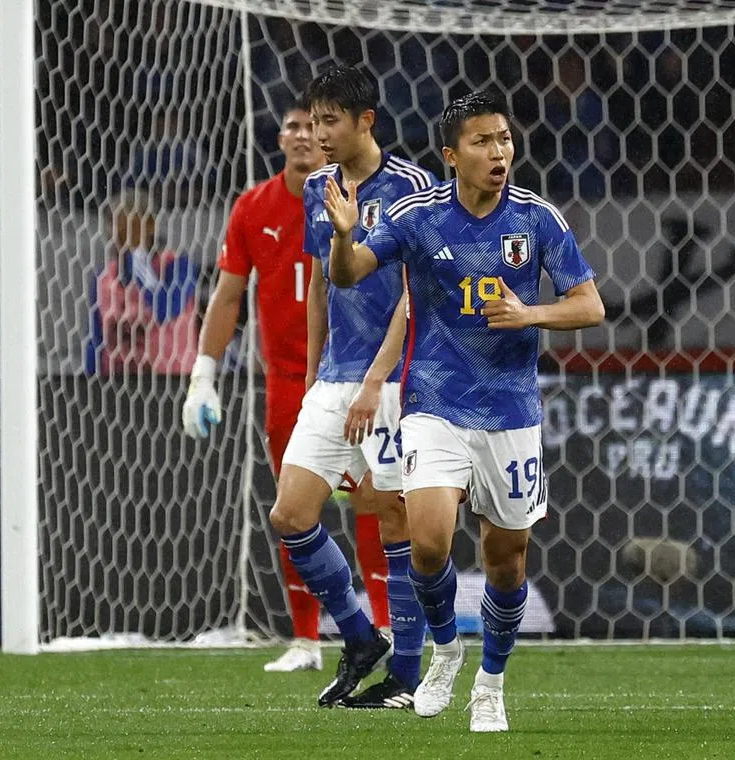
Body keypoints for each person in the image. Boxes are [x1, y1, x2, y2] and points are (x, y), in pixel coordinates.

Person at [324, 90, 604, 732]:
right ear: (452, 155)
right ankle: (446, 652)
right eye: (482, 142)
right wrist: (343, 238)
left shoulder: (538, 220)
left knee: (507, 557)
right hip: (434, 404)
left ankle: (492, 682)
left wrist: (532, 313)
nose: (499, 152)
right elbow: (348, 273)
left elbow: (590, 306)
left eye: (504, 139)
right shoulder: (417, 216)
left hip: (510, 412)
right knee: (426, 539)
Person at [180, 104, 394, 672]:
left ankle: (388, 628)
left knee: (375, 504)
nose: (306, 136)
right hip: (288, 381)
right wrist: (204, 372)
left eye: (316, 125)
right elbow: (228, 296)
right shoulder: (253, 207)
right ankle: (306, 640)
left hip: (368, 376)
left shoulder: (368, 196)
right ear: (280, 139)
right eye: (296, 127)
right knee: (296, 510)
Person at [268, 64, 436, 709]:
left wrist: (374, 379)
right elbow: (320, 287)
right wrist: (316, 374)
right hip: (335, 378)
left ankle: (408, 674)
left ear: (367, 120)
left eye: (329, 121)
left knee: (395, 517)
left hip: (395, 378)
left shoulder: (415, 189)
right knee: (291, 512)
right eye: (312, 122)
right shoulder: (319, 187)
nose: (318, 134)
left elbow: (415, 292)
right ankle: (361, 637)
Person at [88, 187, 198, 375]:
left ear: (150, 225)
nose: (117, 233)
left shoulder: (178, 267)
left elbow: (164, 310)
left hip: (171, 379)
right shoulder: (104, 278)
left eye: (128, 225)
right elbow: (95, 340)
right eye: (114, 225)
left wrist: (137, 264)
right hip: (118, 379)